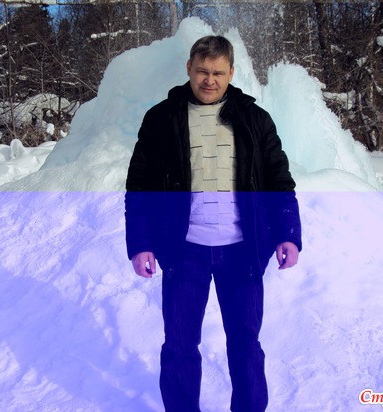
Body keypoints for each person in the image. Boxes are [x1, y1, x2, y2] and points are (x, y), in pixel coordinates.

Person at [125, 35, 302, 412]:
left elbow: (278, 180)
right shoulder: (161, 119)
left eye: (218, 73)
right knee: (179, 345)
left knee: (245, 345)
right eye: (203, 71)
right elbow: (139, 185)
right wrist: (141, 242)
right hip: (183, 251)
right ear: (189, 68)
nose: (210, 80)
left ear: (231, 73)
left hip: (242, 251)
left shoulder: (255, 119)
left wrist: (288, 234)